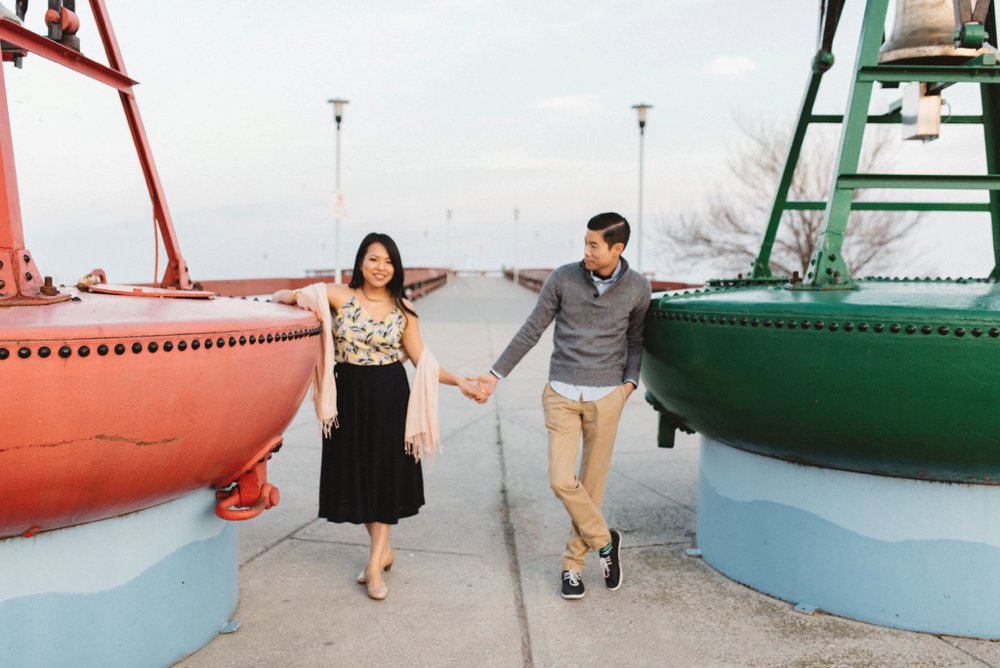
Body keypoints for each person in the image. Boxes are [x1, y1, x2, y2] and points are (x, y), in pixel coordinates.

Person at [273, 232, 483, 601]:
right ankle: (383, 551)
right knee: (360, 475)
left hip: (390, 394)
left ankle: (373, 566)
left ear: (395, 267)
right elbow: (289, 297)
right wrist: (282, 299)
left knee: (385, 474)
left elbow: (423, 361)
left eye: (387, 261)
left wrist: (461, 383)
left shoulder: (405, 310)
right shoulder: (339, 295)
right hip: (348, 396)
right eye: (373, 259)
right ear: (360, 263)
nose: (380, 267)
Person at [474, 212, 651, 600]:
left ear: (616, 249)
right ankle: (606, 540)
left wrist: (628, 385)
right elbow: (532, 328)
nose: (585, 250)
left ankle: (573, 566)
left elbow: (636, 341)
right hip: (562, 395)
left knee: (592, 486)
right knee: (561, 479)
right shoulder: (563, 278)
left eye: (593, 245)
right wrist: (495, 374)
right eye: (584, 242)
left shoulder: (638, 288)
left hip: (607, 397)